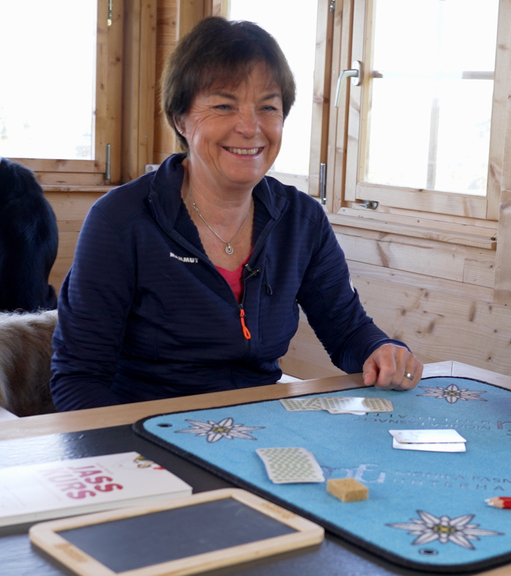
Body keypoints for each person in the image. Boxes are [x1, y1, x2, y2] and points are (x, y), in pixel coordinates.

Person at [51, 18, 422, 410]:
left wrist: (382, 350)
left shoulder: (302, 220)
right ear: (181, 119)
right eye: (224, 105)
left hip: (259, 432)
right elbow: (79, 379)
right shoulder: (120, 221)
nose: (250, 127)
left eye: (268, 107)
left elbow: (347, 332)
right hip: (145, 438)